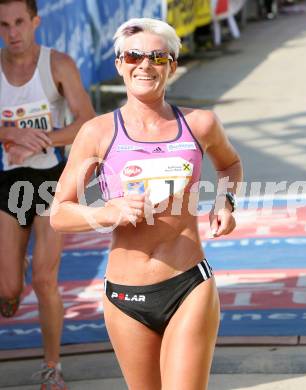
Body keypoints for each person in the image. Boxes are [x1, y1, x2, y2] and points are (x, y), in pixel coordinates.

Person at [50, 17, 243, 390]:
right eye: (134, 55)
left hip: (188, 284)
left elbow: (230, 165)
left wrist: (225, 202)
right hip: (126, 295)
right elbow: (59, 212)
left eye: (157, 56)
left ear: (171, 65)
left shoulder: (200, 124)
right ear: (119, 64)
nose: (145, 65)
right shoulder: (98, 132)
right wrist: (107, 212)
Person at [0, 0, 95, 388]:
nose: (12, 32)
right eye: (3, 25)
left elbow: (87, 120)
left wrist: (41, 141)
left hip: (50, 179)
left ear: (35, 21)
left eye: (19, 22)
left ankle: (52, 366)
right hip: (8, 183)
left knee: (44, 279)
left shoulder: (57, 64)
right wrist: (9, 134)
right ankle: (12, 273)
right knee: (8, 294)